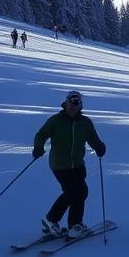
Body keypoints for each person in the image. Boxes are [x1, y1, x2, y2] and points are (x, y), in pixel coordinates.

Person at [33, 90, 106, 238]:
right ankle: (51, 219)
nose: (73, 106)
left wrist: (99, 146)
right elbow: (41, 135)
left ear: (80, 105)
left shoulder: (85, 123)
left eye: (76, 103)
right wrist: (38, 147)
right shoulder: (56, 120)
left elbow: (93, 138)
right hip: (60, 164)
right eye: (70, 103)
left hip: (78, 164)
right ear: (65, 103)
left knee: (82, 192)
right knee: (72, 191)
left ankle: (75, 224)